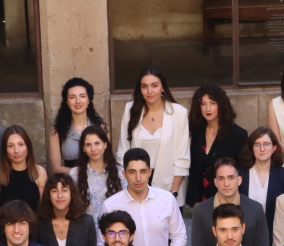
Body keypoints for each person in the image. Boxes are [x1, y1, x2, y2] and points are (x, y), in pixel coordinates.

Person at [117, 67, 191, 205]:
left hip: (168, 188)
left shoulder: (179, 113)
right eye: (144, 86)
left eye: (154, 86)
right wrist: (130, 184)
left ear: (162, 87)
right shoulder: (130, 110)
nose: (149, 91)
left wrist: (173, 193)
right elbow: (123, 153)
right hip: (136, 186)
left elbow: (183, 159)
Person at [188, 158, 270, 246]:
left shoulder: (255, 209)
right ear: (215, 182)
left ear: (239, 180)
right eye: (221, 178)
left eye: (231, 178)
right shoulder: (201, 210)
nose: (226, 183)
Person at [185, 85, 246, 206]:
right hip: (202, 202)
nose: (208, 108)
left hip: (228, 200)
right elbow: (194, 170)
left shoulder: (238, 134)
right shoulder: (198, 133)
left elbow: (242, 172)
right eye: (203, 104)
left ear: (221, 105)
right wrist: (196, 202)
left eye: (212, 103)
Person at [241, 127, 284, 236]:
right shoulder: (241, 175)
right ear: (252, 148)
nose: (262, 149)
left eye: (266, 144)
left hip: (274, 238)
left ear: (274, 147)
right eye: (257, 144)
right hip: (244, 237)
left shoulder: (283, 175)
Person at [49, 76, 106, 173]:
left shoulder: (101, 128)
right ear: (67, 102)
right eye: (72, 97)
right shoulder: (56, 131)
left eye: (82, 96)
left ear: (88, 100)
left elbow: (108, 160)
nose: (78, 101)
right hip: (71, 183)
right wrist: (82, 174)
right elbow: (56, 169)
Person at [0, 125, 46, 210]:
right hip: (4, 222)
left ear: (28, 146)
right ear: (5, 149)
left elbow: (45, 209)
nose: (16, 151)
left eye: (21, 144)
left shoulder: (39, 172)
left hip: (33, 222)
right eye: (10, 146)